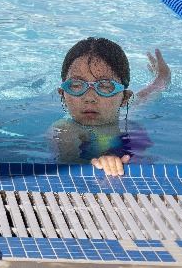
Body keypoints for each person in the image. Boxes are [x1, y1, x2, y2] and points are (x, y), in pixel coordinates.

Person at [49, 37, 170, 176]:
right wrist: (102, 163)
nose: (89, 98)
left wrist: (163, 76)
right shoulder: (65, 130)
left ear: (124, 98)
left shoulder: (128, 115)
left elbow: (149, 94)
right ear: (62, 94)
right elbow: (68, 170)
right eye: (76, 85)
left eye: (105, 86)